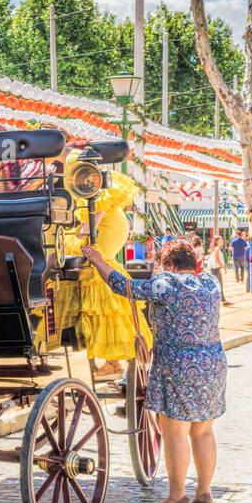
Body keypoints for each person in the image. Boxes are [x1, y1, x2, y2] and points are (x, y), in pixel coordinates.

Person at [82, 240, 225, 503]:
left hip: (179, 365)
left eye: (162, 265)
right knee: (204, 430)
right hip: (212, 363)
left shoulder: (166, 284)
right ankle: (204, 492)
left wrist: (99, 261)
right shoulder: (211, 283)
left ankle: (176, 494)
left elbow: (123, 286)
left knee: (175, 432)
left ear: (169, 265)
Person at [55, 161, 153, 376]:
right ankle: (112, 360)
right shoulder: (99, 198)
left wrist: (76, 231)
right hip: (108, 244)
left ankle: (111, 361)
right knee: (106, 301)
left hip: (104, 244)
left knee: (102, 300)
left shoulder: (96, 199)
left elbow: (89, 226)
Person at [206, 236, 231, 305]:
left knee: (218, 285)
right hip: (215, 270)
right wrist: (224, 267)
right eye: (221, 240)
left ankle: (223, 300)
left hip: (215, 269)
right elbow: (217, 260)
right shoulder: (217, 249)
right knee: (218, 285)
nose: (222, 241)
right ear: (217, 241)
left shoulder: (216, 249)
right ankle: (219, 301)